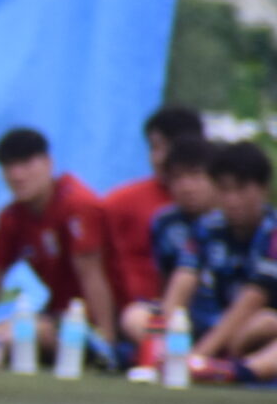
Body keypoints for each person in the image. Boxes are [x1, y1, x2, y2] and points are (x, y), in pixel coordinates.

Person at [0, 128, 119, 369]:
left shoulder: (77, 204)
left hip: (96, 322)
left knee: (19, 333)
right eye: (9, 166)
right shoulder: (13, 217)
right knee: (3, 332)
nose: (17, 175)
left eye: (26, 164)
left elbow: (93, 276)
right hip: (58, 320)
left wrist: (107, 343)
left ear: (48, 163)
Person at [169, 140, 277, 384]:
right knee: (135, 316)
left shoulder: (273, 234)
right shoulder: (207, 227)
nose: (232, 200)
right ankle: (172, 359)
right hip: (210, 324)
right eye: (224, 190)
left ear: (263, 189)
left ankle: (234, 371)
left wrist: (199, 356)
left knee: (267, 323)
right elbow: (184, 278)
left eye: (241, 189)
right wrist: (166, 334)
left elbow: (253, 299)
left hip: (251, 331)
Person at [98, 103, 205, 318]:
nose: (157, 159)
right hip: (142, 314)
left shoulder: (217, 210)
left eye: (162, 148)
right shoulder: (121, 202)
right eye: (152, 148)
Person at [121, 134, 218, 349]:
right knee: (133, 316)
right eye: (178, 178)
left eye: (195, 175)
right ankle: (166, 352)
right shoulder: (164, 222)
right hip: (181, 314)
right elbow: (164, 278)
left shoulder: (226, 221)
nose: (187, 187)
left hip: (223, 313)